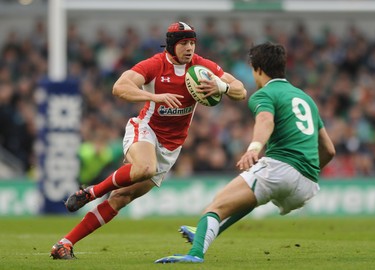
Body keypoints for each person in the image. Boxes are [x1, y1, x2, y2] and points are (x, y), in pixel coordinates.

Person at [50, 21, 247, 260]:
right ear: (173, 45)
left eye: (193, 43)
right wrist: (154, 96)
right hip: (145, 130)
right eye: (184, 43)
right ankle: (91, 192)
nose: (190, 48)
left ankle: (64, 244)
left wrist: (222, 86)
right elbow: (119, 87)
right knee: (144, 167)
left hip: (170, 148)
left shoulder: (201, 66)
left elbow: (240, 91)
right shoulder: (155, 64)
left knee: (121, 198)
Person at [155, 41, 336, 264]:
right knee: (244, 201)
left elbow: (265, 120)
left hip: (279, 169)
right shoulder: (306, 99)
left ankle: (195, 254)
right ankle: (206, 232)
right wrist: (307, 172)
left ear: (257, 69)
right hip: (308, 183)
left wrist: (254, 147)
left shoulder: (263, 95)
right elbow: (329, 149)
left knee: (216, 205)